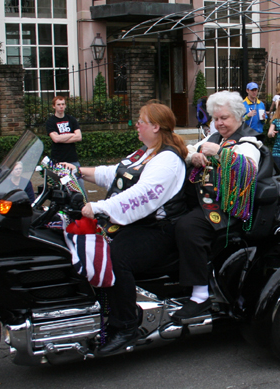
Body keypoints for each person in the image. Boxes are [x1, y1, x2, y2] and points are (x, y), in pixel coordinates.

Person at [61, 101, 188, 356]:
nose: (137, 126)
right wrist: (79, 171)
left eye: (141, 121)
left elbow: (142, 196)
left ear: (156, 126)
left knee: (115, 258)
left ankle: (126, 325)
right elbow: (117, 174)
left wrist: (97, 207)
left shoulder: (166, 160)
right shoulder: (146, 152)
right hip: (136, 222)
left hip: (158, 229)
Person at [175, 91, 263, 322]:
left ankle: (200, 295)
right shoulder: (214, 137)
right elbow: (191, 149)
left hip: (227, 208)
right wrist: (193, 156)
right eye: (216, 118)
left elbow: (248, 168)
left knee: (188, 227)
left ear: (237, 116)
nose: (219, 123)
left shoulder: (249, 141)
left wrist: (222, 154)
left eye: (224, 118)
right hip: (204, 199)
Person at [46, 96, 83, 187]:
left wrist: (61, 137)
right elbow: (56, 139)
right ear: (54, 106)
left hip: (72, 159)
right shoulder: (51, 122)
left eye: (63, 104)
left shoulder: (71, 120)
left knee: (79, 184)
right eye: (58, 104)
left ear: (65, 106)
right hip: (58, 160)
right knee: (61, 186)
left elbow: (79, 137)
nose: (61, 106)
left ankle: (83, 201)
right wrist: (71, 134)